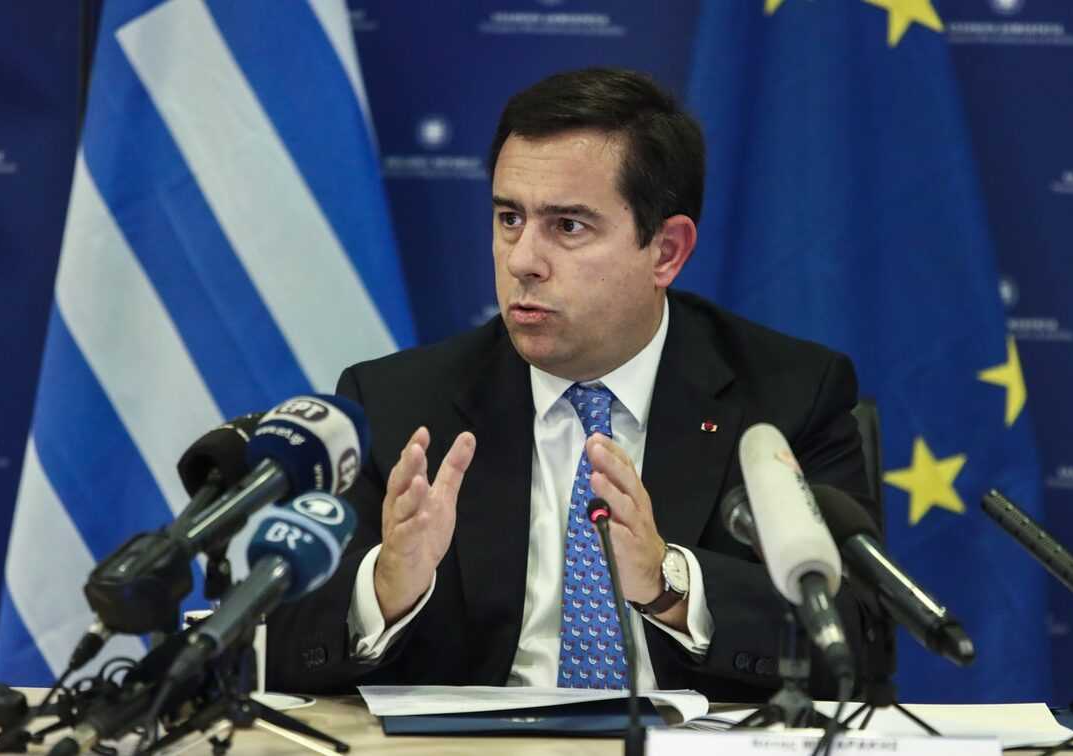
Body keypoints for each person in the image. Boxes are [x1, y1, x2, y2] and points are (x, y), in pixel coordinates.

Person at [267, 67, 880, 702]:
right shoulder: (397, 404)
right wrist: (386, 587)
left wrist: (670, 584)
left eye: (568, 226)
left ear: (666, 251)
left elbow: (860, 639)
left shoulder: (787, 396)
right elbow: (278, 651)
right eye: (509, 218)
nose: (522, 260)